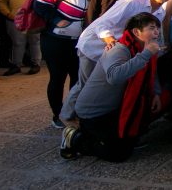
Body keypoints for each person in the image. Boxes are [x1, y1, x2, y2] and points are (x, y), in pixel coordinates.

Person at [61, 0, 172, 121]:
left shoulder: (160, 13)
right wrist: (110, 41)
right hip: (95, 44)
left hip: (117, 51)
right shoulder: (132, 1)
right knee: (85, 84)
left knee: (101, 86)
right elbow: (102, 23)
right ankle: (66, 118)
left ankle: (88, 118)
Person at [60, 13, 163, 162]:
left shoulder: (144, 50)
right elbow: (114, 77)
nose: (156, 33)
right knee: (118, 154)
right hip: (94, 112)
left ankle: (93, 135)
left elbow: (152, 73)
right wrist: (146, 54)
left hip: (113, 109)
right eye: (152, 28)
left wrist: (157, 94)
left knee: (130, 141)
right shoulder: (119, 49)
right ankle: (76, 138)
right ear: (136, 32)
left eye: (157, 29)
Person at [33, 0, 100, 128]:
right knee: (57, 79)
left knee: (78, 79)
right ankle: (57, 115)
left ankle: (72, 112)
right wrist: (56, 20)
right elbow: (39, 4)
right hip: (55, 41)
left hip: (79, 43)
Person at [0, 0, 45, 75]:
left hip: (34, 21)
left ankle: (36, 64)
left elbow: (48, 3)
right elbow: (1, 1)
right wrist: (8, 14)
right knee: (17, 43)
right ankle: (16, 65)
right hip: (14, 20)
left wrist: (41, 16)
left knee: (35, 42)